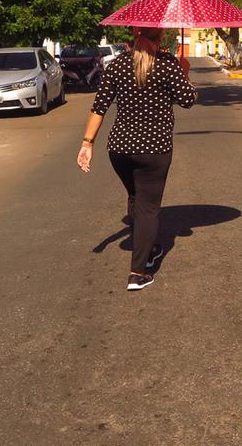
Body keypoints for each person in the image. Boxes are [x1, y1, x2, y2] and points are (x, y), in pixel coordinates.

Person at [78, 27, 197, 291]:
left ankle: (149, 245)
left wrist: (87, 143)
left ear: (134, 35)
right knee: (148, 207)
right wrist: (185, 73)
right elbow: (188, 100)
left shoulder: (117, 65)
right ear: (161, 38)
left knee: (136, 197)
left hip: (119, 149)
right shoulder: (168, 65)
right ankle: (138, 273)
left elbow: (99, 106)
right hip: (154, 149)